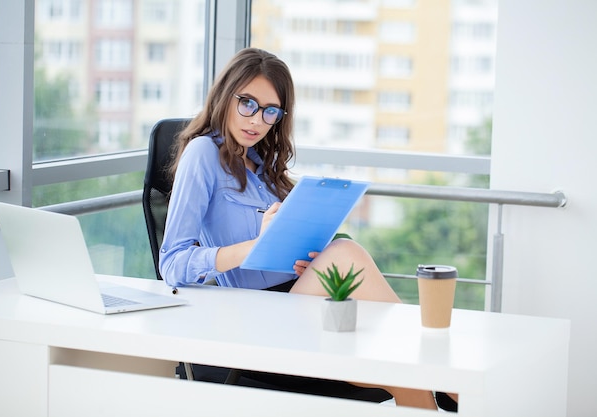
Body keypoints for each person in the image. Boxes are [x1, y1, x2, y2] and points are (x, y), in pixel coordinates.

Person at [159, 47, 439, 410]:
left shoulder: (264, 166)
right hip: (256, 315)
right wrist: (257, 244)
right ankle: (441, 369)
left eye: (270, 111)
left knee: (399, 370)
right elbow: (173, 265)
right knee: (346, 256)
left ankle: (433, 379)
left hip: (297, 296)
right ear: (225, 97)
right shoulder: (203, 155)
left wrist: (304, 258)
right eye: (247, 103)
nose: (256, 119)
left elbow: (284, 253)